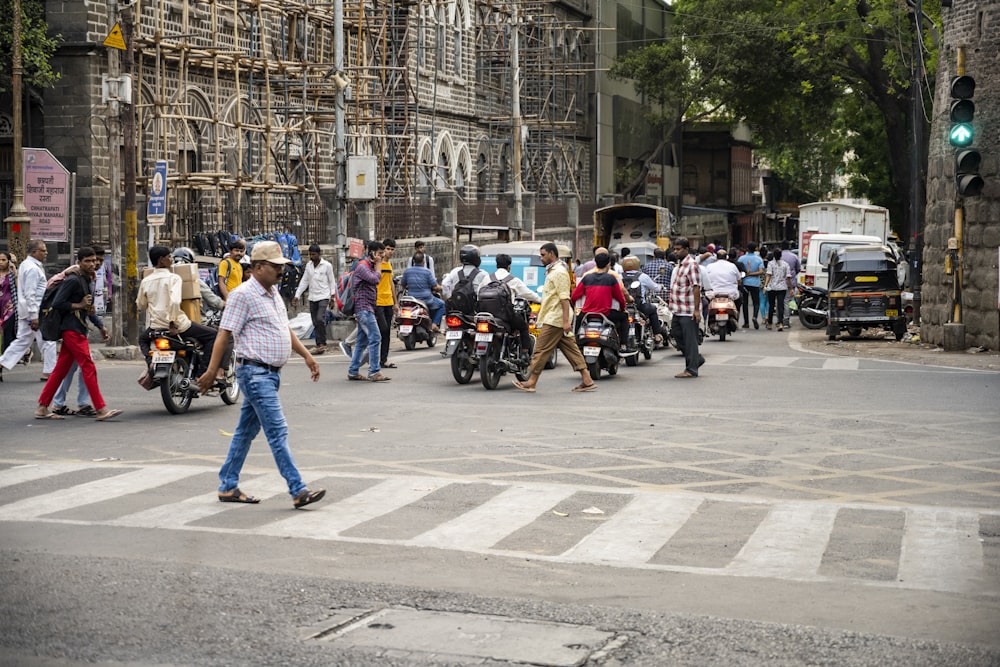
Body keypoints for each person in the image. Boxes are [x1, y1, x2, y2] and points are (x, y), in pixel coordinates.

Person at [195, 240, 325, 510]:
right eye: (275, 266)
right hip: (254, 373)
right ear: (257, 267)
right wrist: (210, 371)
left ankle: (228, 485)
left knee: (245, 432)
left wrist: (307, 356)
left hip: (270, 374)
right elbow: (224, 333)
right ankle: (298, 489)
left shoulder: (273, 293)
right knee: (277, 430)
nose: (281, 271)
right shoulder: (242, 295)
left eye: (282, 266)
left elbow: (284, 330)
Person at [34, 247, 121, 421]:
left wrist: (100, 325)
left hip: (77, 328)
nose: (92, 264)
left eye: (94, 260)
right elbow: (59, 303)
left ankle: (42, 407)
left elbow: (87, 307)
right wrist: (80, 305)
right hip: (71, 330)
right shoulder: (73, 280)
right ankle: (101, 409)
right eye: (87, 261)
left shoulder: (88, 279)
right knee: (88, 366)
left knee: (60, 370)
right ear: (79, 262)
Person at [512, 242, 595, 393]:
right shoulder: (553, 271)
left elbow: (564, 298)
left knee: (541, 349)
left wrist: (565, 322)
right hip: (555, 316)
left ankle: (531, 381)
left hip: (556, 319)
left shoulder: (559, 273)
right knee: (571, 349)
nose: (541, 258)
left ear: (552, 254)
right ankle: (587, 379)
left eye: (543, 255)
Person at [136, 246, 220, 377]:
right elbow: (174, 302)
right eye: (169, 257)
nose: (171, 260)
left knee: (142, 340)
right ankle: (201, 374)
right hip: (178, 325)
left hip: (156, 327)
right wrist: (172, 322)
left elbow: (141, 305)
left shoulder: (145, 281)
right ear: (161, 260)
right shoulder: (174, 278)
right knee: (213, 336)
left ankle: (150, 362)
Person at [0, 239, 57, 381]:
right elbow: (30, 294)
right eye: (43, 250)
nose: (46, 253)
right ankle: (49, 372)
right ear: (34, 252)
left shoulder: (27, 265)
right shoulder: (32, 268)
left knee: (23, 341)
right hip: (35, 311)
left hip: (27, 311)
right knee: (49, 340)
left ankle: (1, 363)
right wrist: (34, 316)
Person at [347, 240, 390, 382]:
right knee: (376, 337)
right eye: (379, 253)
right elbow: (375, 279)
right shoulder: (362, 266)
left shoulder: (370, 266)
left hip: (368, 308)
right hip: (363, 309)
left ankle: (353, 371)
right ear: (371, 252)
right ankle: (374, 371)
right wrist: (378, 265)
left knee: (361, 342)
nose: (381, 257)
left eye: (382, 254)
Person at [572, 250, 630, 347]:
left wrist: (575, 307)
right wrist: (623, 309)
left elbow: (574, 296)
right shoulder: (611, 279)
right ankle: (623, 344)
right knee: (624, 317)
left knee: (577, 321)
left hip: (587, 314)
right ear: (608, 264)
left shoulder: (587, 278)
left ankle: (576, 344)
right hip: (606, 314)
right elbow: (620, 298)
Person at [668, 237, 704, 378]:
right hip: (678, 309)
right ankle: (697, 359)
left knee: (690, 340)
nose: (675, 252)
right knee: (676, 333)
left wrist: (696, 310)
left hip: (688, 310)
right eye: (674, 249)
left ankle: (691, 369)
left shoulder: (691, 264)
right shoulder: (680, 266)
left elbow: (696, 287)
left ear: (686, 250)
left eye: (678, 249)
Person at [491, 252, 540, 355]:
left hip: (489, 316)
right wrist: (541, 300)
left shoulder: (488, 279)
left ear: (496, 265)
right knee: (523, 326)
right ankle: (524, 353)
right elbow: (528, 293)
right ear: (509, 267)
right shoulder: (513, 280)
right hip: (506, 317)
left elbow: (478, 294)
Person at [292, 244, 336, 354]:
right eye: (310, 254)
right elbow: (304, 281)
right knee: (315, 321)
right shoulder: (309, 266)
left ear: (319, 254)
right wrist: (297, 295)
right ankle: (319, 345)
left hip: (323, 296)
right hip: (312, 297)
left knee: (320, 319)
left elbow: (332, 281)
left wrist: (332, 297)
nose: (312, 256)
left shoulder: (327, 266)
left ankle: (323, 343)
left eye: (314, 254)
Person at [621, 256, 664, 342]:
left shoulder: (618, 276)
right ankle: (657, 335)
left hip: (623, 307)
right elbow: (656, 288)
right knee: (653, 310)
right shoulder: (643, 276)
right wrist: (661, 286)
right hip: (640, 306)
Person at [399, 251, 445, 330]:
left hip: (412, 300)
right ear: (423, 261)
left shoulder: (407, 271)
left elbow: (403, 284)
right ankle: (434, 324)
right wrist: (441, 287)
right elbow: (435, 287)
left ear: (413, 261)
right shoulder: (427, 272)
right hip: (426, 300)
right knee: (442, 304)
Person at [375, 238, 399, 369]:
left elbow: (391, 284)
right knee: (381, 329)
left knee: (387, 332)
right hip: (378, 301)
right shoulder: (377, 264)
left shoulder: (389, 265)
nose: (389, 252)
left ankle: (384, 359)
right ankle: (375, 357)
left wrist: (396, 303)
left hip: (388, 301)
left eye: (391, 249)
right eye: (387, 249)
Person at [764, 248, 794, 331]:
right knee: (780, 306)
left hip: (772, 287)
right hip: (782, 287)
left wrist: (765, 286)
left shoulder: (770, 264)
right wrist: (791, 288)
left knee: (771, 305)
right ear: (781, 255)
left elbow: (768, 275)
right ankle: (780, 323)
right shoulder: (785, 264)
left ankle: (770, 323)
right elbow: (788, 278)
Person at [737, 242, 764, 329]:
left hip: (744, 283)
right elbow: (761, 271)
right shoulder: (759, 259)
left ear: (747, 249)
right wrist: (752, 273)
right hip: (755, 283)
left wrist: (746, 274)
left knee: (745, 303)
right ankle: (755, 317)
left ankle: (746, 322)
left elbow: (738, 270)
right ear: (755, 249)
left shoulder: (741, 258)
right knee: (756, 302)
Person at [0, 251, 17, 365]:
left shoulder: (12, 274)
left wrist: (15, 271)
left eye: (3, 260)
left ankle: (5, 359)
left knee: (7, 332)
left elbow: (18, 287)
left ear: (9, 261)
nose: (0, 262)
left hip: (9, 307)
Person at [780, 240, 801, 327]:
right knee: (787, 301)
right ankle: (786, 320)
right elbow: (798, 268)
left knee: (779, 301)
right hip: (790, 282)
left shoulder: (778, 256)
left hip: (778, 282)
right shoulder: (794, 256)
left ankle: (779, 320)